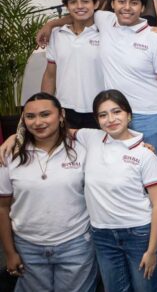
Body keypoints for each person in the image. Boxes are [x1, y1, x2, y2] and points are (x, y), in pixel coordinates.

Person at [36, 0, 157, 252]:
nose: (127, 8)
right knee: (121, 173)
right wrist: (49, 24)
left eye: (134, 3)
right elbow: (76, 13)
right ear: (111, 4)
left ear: (143, 7)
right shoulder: (104, 21)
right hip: (114, 115)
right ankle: (129, 228)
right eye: (121, 2)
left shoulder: (154, 39)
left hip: (150, 115)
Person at [0, 93, 97, 291]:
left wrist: (142, 148)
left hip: (76, 244)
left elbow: (115, 142)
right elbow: (2, 208)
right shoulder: (9, 154)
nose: (38, 122)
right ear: (23, 120)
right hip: (27, 247)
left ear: (61, 115)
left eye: (45, 114)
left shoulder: (83, 148)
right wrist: (10, 253)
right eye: (30, 116)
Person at [81, 90, 157, 291]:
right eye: (103, 115)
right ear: (97, 120)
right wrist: (16, 137)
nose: (110, 119)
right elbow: (53, 130)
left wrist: (152, 250)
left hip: (138, 233)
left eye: (116, 112)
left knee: (145, 287)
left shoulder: (145, 154)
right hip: (102, 234)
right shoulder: (91, 138)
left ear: (128, 115)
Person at [41, 0, 103, 129]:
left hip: (99, 109)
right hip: (65, 109)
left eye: (85, 1)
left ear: (96, 4)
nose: (80, 6)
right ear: (67, 7)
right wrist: (45, 106)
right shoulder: (56, 35)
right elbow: (50, 75)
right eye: (73, 2)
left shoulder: (106, 33)